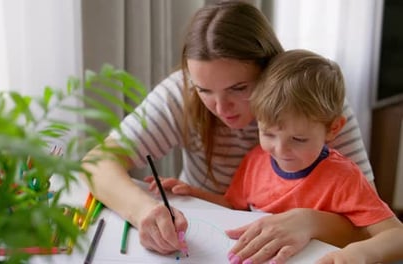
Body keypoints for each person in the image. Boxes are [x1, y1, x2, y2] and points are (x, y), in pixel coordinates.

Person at [81, 1, 374, 263]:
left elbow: (370, 224)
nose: (222, 108)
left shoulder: (311, 105)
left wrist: (309, 221)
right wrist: (144, 211)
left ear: (270, 69)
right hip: (202, 238)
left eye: (238, 89)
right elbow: (96, 163)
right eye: (204, 90)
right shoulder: (180, 93)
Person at [151, 49, 403, 264]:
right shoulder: (255, 161)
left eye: (298, 139)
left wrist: (360, 253)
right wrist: (192, 193)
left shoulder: (344, 178)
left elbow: (396, 235)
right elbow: (233, 206)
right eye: (268, 134)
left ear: (333, 129)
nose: (280, 151)